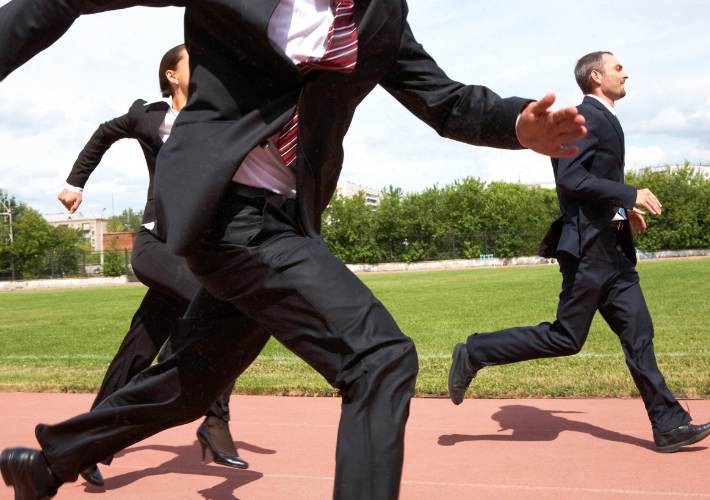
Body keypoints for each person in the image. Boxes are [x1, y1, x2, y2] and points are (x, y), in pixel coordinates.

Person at [0, 1, 587, 499]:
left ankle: (49, 464)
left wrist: (518, 125)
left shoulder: (381, 13)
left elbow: (447, 101)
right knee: (379, 357)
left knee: (194, 381)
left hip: (288, 218)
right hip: (227, 213)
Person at [447, 51, 710, 453]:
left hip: (613, 250)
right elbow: (572, 179)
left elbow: (595, 181)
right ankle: (474, 352)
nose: (625, 72)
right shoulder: (583, 117)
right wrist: (629, 193)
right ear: (596, 76)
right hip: (589, 252)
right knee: (567, 338)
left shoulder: (606, 117)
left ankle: (669, 425)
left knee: (639, 333)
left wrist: (623, 210)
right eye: (618, 67)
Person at [55, 44, 261, 487]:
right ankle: (215, 418)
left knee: (137, 349)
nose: (207, 70)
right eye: (195, 64)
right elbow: (105, 132)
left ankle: (83, 442)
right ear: (172, 75)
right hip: (154, 245)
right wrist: (75, 183)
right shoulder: (151, 118)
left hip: (192, 253)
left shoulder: (216, 120)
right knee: (220, 308)